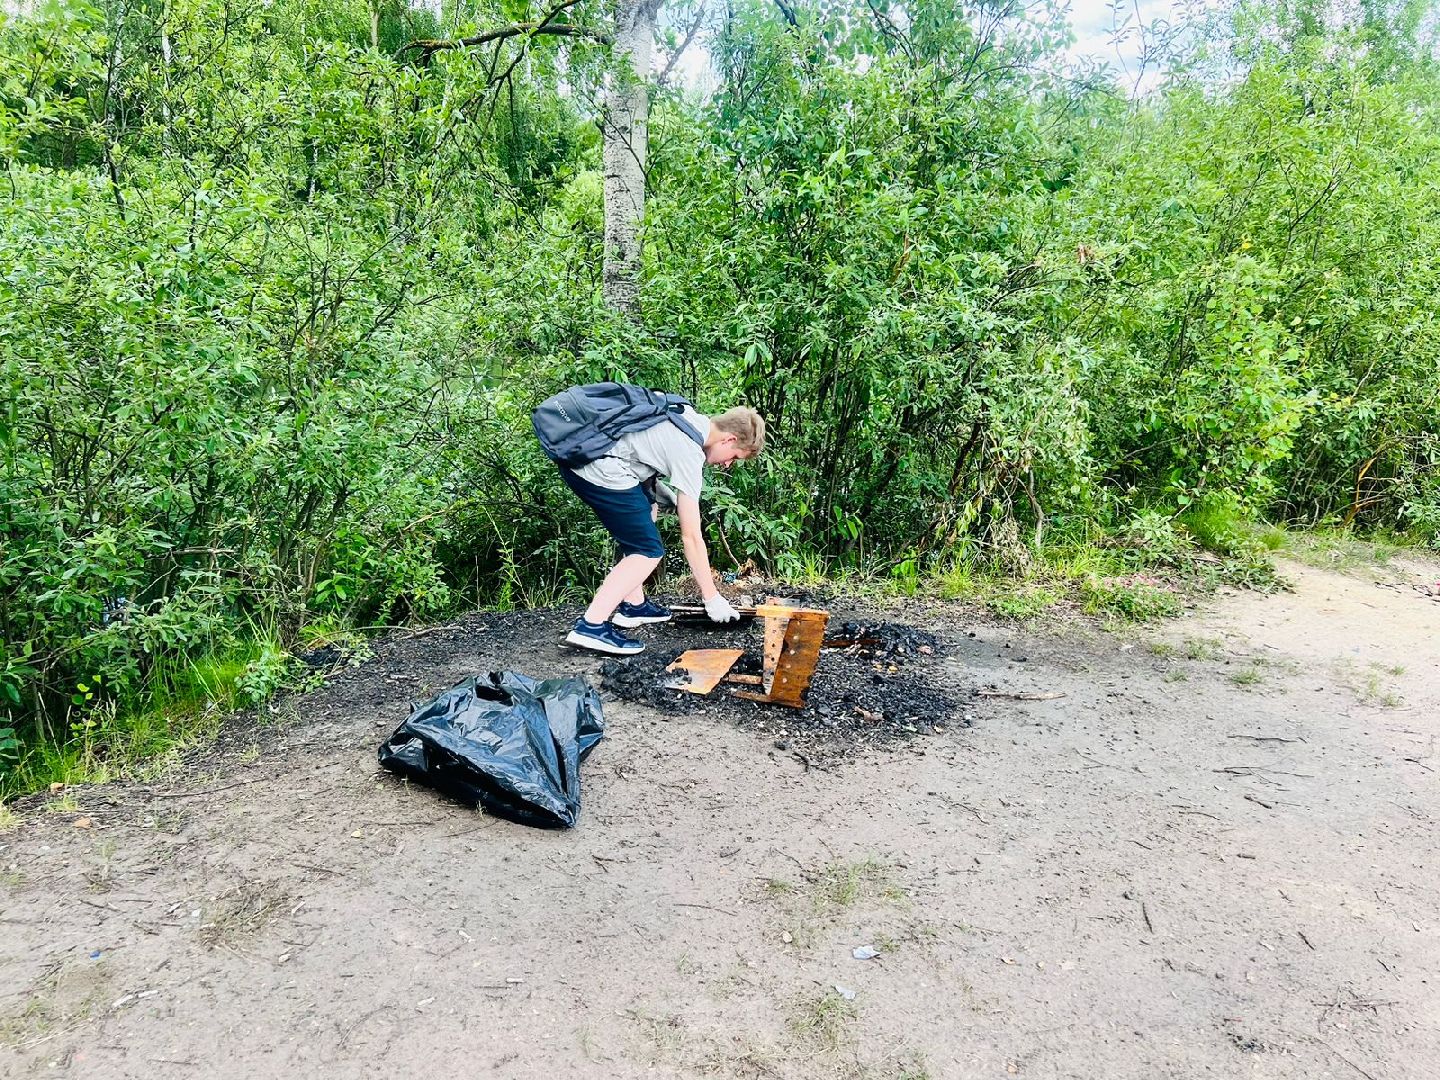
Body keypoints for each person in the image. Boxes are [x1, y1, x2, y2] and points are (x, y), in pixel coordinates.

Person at [550, 398, 766, 655]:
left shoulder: (686, 415)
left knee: (650, 506)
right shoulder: (690, 450)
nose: (728, 464)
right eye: (734, 457)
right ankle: (591, 626)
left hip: (598, 459)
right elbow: (692, 537)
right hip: (595, 466)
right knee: (647, 550)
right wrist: (712, 598)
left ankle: (634, 606)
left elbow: (642, 449)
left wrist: (664, 497)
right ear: (729, 440)